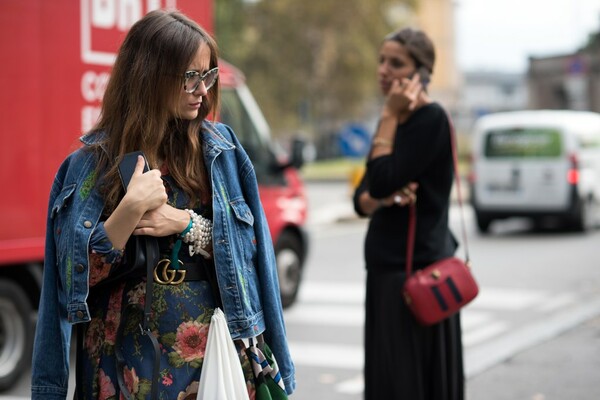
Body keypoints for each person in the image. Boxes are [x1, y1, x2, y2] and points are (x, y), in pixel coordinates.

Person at [31, 9, 295, 399]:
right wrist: (128, 211)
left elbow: (254, 257)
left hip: (213, 359)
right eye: (190, 76)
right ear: (149, 75)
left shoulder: (221, 152)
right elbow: (68, 285)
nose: (203, 90)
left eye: (208, 75)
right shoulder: (88, 165)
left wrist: (188, 224)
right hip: (122, 365)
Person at [353, 27, 463, 399]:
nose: (384, 70)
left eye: (396, 63)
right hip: (391, 269)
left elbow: (380, 181)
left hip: (416, 274)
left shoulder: (427, 119)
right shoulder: (399, 123)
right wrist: (379, 198)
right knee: (392, 379)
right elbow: (362, 198)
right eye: (382, 60)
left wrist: (387, 115)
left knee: (408, 382)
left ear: (421, 73)